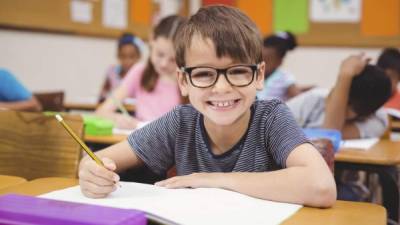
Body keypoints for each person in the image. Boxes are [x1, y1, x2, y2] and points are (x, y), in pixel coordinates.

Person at [79, 5, 336, 207]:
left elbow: (321, 186)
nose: (222, 88)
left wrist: (212, 180)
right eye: (203, 74)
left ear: (259, 76)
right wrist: (91, 171)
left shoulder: (271, 117)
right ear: (184, 81)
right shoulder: (181, 122)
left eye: (237, 71)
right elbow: (99, 160)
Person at [96, 16, 186, 129]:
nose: (164, 64)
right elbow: (101, 112)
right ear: (152, 40)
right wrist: (117, 119)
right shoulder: (139, 72)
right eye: (160, 54)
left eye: (173, 59)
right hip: (140, 142)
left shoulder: (188, 81)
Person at [287, 53, 392, 139]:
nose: (337, 102)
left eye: (344, 102)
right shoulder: (315, 99)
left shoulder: (378, 119)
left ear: (365, 115)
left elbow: (328, 135)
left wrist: (345, 75)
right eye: (337, 91)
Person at [257, 32, 311, 101]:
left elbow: (299, 100)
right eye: (260, 60)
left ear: (279, 62)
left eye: (267, 61)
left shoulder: (285, 78)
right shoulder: (252, 74)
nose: (262, 65)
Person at [98, 33, 145, 102]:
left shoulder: (142, 74)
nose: (127, 61)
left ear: (139, 56)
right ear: (118, 55)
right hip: (114, 110)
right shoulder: (112, 72)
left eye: (132, 56)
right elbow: (102, 96)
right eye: (123, 56)